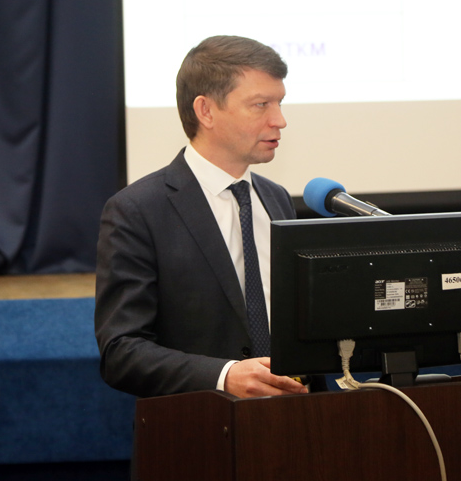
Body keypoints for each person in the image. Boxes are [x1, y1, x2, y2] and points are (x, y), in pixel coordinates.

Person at [94, 35, 309, 399]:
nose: (280, 120)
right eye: (261, 105)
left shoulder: (276, 199)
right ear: (205, 111)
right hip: (203, 423)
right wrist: (224, 376)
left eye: (280, 103)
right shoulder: (137, 210)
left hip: (296, 417)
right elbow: (121, 351)